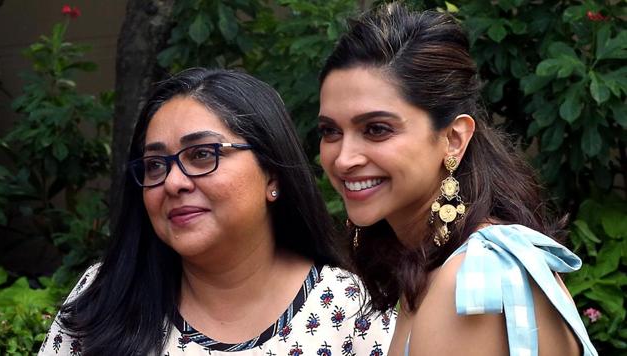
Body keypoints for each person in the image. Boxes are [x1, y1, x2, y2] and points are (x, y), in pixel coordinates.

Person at [39, 68, 395, 355]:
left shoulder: (353, 309)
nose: (173, 182)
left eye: (202, 155)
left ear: (272, 173)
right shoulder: (106, 292)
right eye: (155, 165)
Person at [317, 4, 597, 356]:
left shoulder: (473, 284)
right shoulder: (439, 262)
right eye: (330, 131)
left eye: (376, 129)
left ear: (453, 138)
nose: (344, 159)